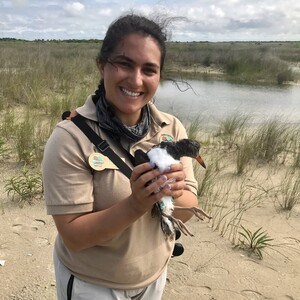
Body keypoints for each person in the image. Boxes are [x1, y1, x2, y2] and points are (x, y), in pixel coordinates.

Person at [42, 13, 202, 300]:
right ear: (102, 66)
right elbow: (74, 237)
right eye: (125, 64)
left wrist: (174, 194)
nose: (136, 79)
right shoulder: (69, 138)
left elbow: (188, 210)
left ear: (159, 76)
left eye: (149, 69)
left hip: (154, 278)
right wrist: (135, 204)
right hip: (93, 285)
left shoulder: (171, 128)